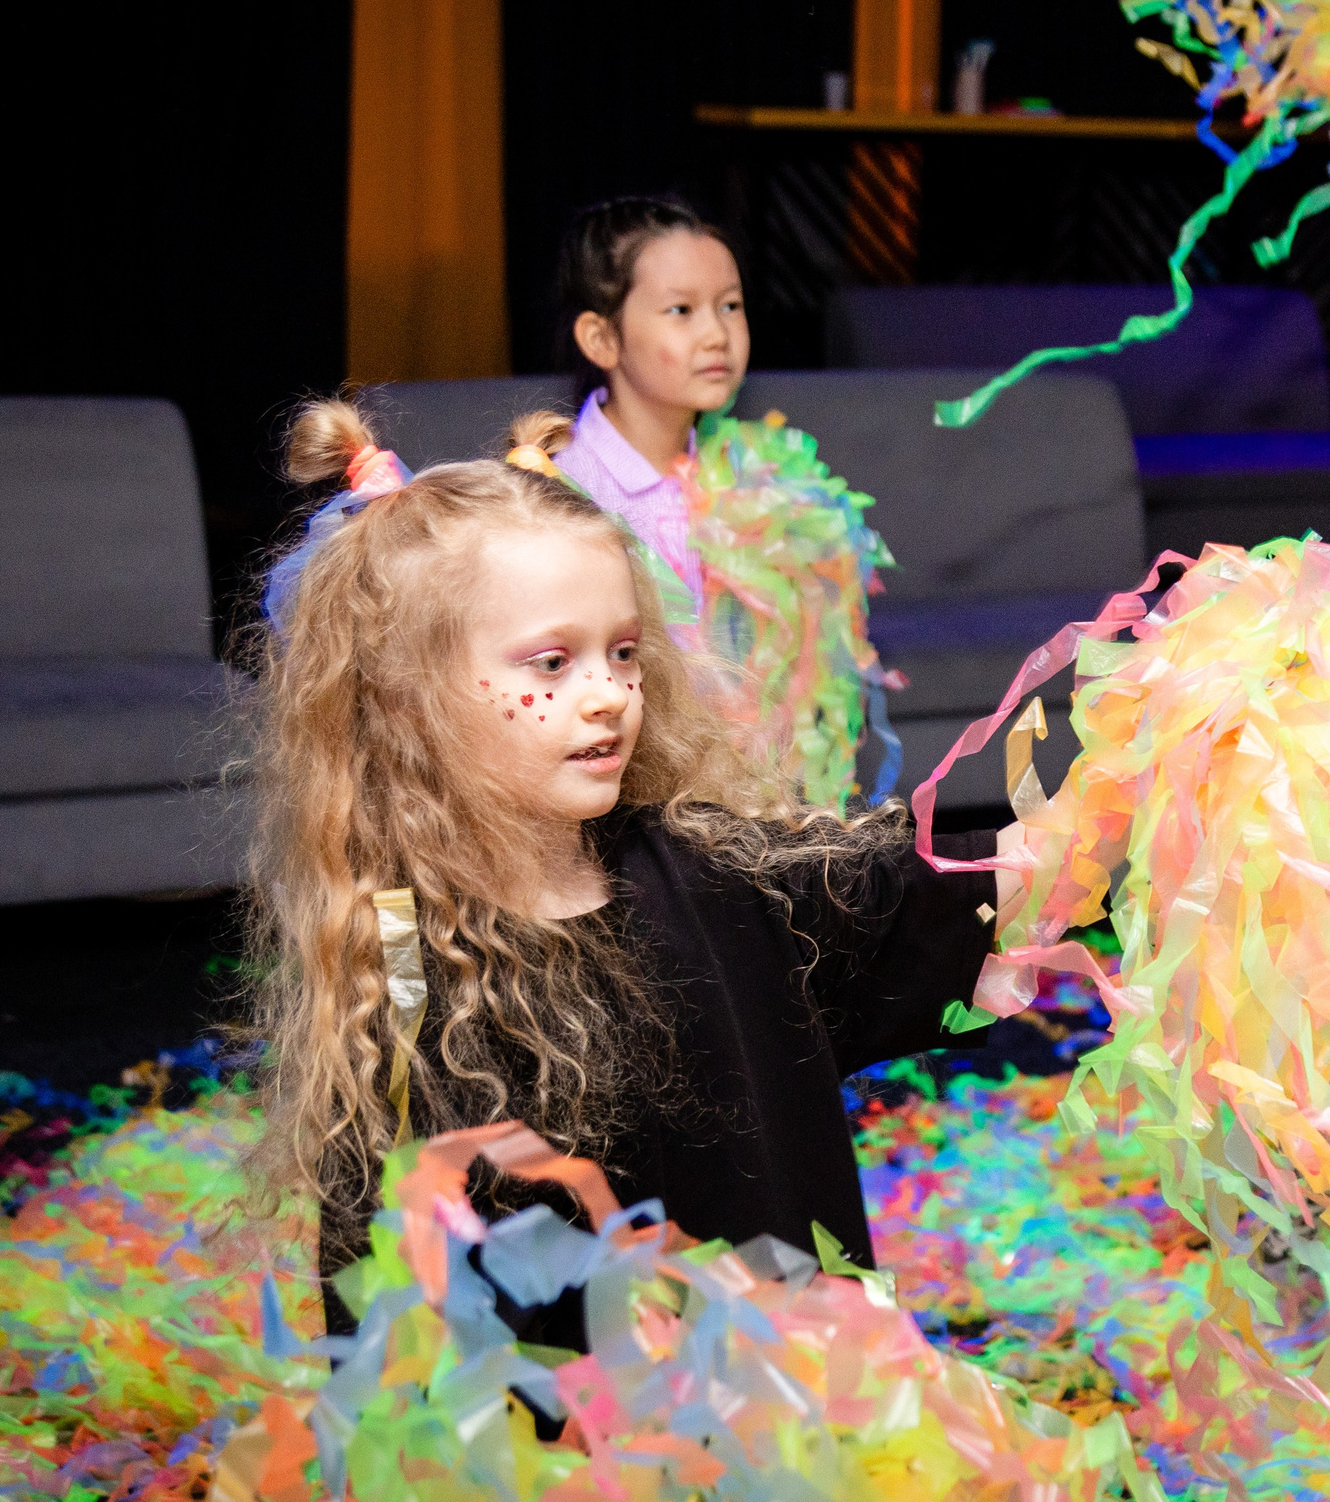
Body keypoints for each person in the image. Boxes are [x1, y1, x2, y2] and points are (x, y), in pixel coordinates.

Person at [242, 397, 1021, 1339]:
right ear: (409, 700)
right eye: (551, 663)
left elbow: (923, 896)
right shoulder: (403, 978)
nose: (608, 692)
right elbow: (398, 1316)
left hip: (785, 1441)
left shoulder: (709, 876)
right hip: (573, 1471)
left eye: (622, 652)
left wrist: (1149, 801)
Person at [545, 195, 750, 613]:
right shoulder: (566, 493)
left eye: (730, 305)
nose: (717, 335)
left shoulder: (751, 473)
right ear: (601, 340)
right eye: (681, 310)